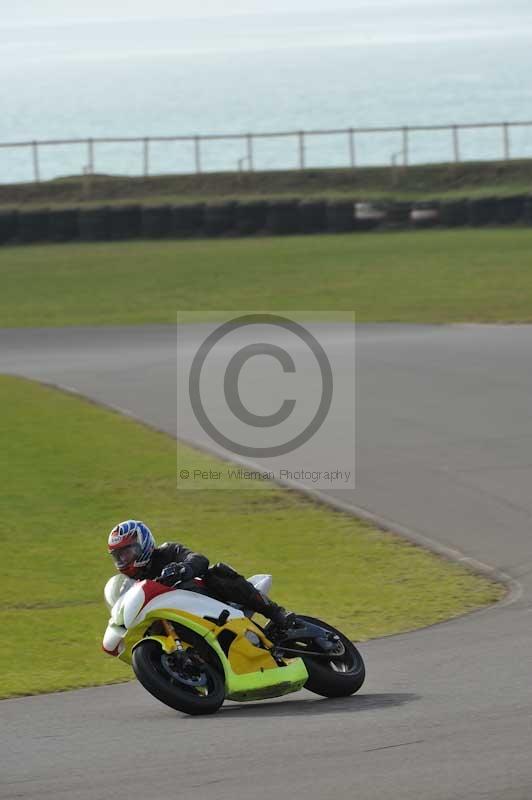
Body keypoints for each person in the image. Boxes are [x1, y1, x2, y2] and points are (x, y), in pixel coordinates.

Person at [107, 520, 295, 630]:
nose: (123, 560)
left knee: (216, 572)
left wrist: (182, 569)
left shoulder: (168, 551)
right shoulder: (132, 585)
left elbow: (198, 559)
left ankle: (276, 613)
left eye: (127, 553)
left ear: (143, 544)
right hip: (176, 619)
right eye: (118, 556)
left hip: (209, 601)